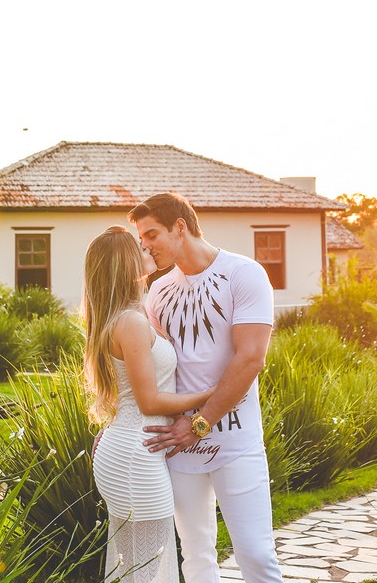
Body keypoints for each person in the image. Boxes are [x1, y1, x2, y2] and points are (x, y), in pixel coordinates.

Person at [130, 192, 284, 583]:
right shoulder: (158, 292)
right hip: (179, 447)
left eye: (151, 235)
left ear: (179, 227)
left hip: (236, 442)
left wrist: (199, 423)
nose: (146, 247)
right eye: (141, 239)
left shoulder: (244, 274)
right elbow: (153, 368)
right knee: (196, 557)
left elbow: (251, 358)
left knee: (256, 555)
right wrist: (119, 422)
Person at [82, 226, 213, 583]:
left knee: (137, 568)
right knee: (146, 568)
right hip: (135, 458)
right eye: (140, 248)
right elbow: (149, 400)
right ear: (126, 263)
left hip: (131, 448)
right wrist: (210, 396)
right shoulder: (130, 322)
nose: (148, 250)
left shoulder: (131, 314)